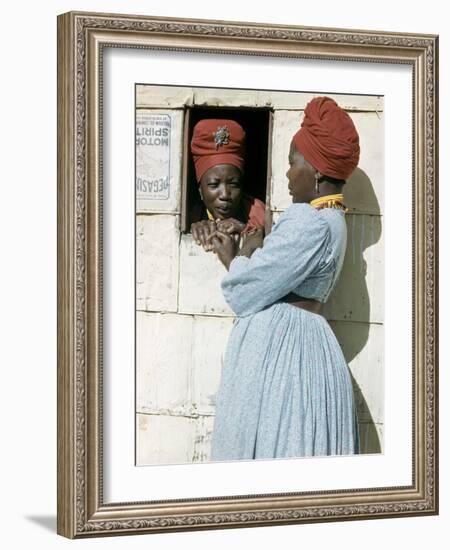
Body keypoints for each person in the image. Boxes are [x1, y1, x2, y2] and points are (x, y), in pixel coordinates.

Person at [208, 96, 360, 460]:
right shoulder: (336, 220)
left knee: (273, 445)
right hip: (307, 341)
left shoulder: (307, 221)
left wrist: (237, 254)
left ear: (317, 170)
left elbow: (247, 290)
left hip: (283, 354)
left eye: (293, 163)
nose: (289, 175)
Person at [190, 119, 265, 252]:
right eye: (214, 184)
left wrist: (245, 229)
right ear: (200, 190)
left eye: (234, 184)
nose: (225, 195)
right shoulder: (190, 215)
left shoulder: (261, 215)